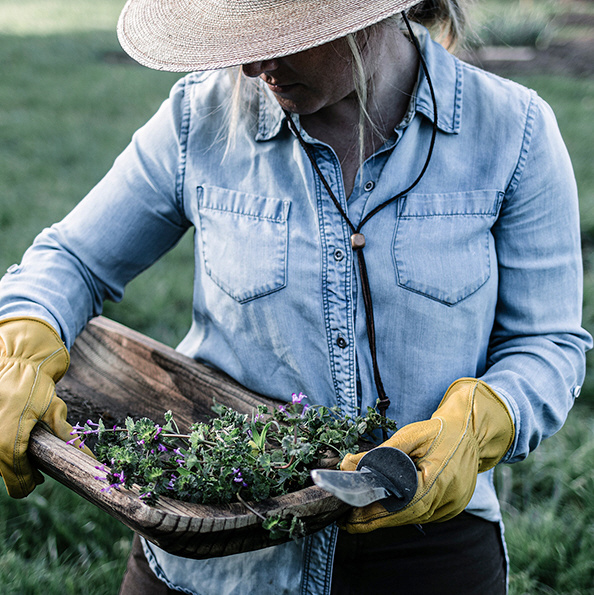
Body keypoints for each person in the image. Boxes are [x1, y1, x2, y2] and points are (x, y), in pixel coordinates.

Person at [0, 0, 590, 593]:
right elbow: (72, 259)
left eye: (283, 35)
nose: (254, 65)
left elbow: (548, 342)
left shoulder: (513, 133)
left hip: (421, 549)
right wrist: (23, 342)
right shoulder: (199, 116)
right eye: (242, 34)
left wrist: (484, 416)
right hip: (217, 554)